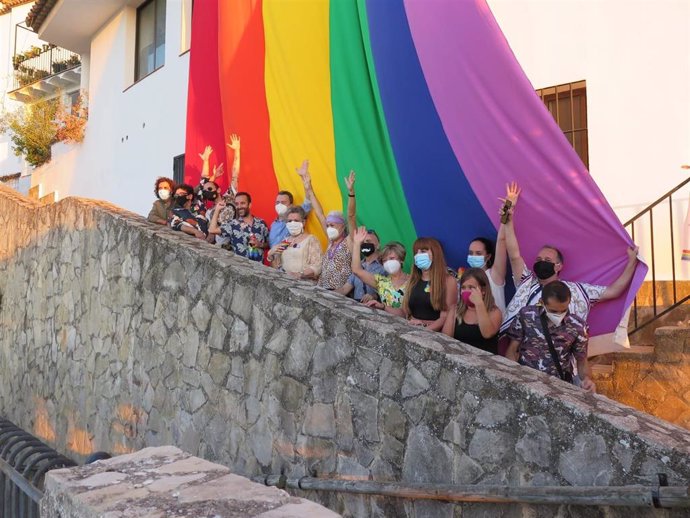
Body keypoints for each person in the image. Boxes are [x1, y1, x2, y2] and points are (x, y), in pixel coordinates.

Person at [499, 182, 639, 335]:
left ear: (559, 266)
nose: (541, 263)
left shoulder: (577, 291)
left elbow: (614, 291)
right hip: (528, 356)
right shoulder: (526, 283)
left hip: (563, 356)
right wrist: (508, 217)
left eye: (547, 260)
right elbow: (514, 254)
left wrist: (632, 262)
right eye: (539, 259)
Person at [506, 281, 596, 392]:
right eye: (553, 311)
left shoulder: (578, 326)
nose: (559, 315)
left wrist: (587, 380)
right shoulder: (526, 315)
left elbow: (581, 361)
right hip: (525, 382)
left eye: (563, 310)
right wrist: (513, 374)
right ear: (542, 302)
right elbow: (513, 349)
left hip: (557, 388)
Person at [298, 160, 356, 290]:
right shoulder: (331, 241)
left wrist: (351, 193)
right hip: (322, 290)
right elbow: (319, 214)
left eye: (333, 225)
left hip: (340, 295)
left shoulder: (350, 240)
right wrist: (309, 188)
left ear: (342, 226)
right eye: (328, 225)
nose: (329, 228)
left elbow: (351, 216)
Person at [390, 237, 457, 332]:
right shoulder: (412, 280)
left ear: (435, 254)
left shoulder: (449, 281)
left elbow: (445, 317)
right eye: (416, 252)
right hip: (412, 331)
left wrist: (422, 329)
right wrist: (382, 307)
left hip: (433, 336)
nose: (418, 255)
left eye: (423, 251)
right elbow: (404, 312)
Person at [444, 268, 502, 353]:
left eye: (471, 287)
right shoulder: (455, 310)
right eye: (463, 288)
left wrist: (479, 304)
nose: (466, 291)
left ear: (483, 290)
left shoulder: (494, 312)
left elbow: (487, 334)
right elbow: (445, 339)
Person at [351, 227, 408, 312]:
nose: (388, 262)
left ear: (402, 259)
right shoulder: (381, 282)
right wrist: (356, 243)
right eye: (385, 260)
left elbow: (407, 313)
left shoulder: (412, 281)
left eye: (392, 258)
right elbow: (356, 270)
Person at [208, 192, 269, 261]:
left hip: (260, 269)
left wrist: (260, 244)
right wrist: (217, 210)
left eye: (242, 203)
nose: (239, 206)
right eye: (237, 204)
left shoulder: (261, 223)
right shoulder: (232, 224)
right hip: (241, 269)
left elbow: (269, 244)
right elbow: (211, 230)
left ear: (249, 205)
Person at [267, 206, 323, 280]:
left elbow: (317, 266)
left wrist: (300, 275)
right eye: (289, 221)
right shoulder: (285, 241)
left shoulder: (311, 240)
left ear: (303, 222)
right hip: (285, 283)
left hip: (304, 285)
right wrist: (270, 255)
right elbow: (276, 268)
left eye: (296, 220)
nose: (292, 223)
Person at [338, 228, 385, 302]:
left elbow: (389, 289)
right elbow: (344, 289)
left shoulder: (384, 266)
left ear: (378, 245)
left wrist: (374, 296)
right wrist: (326, 294)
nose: (365, 244)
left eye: (368, 241)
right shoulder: (359, 264)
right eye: (362, 242)